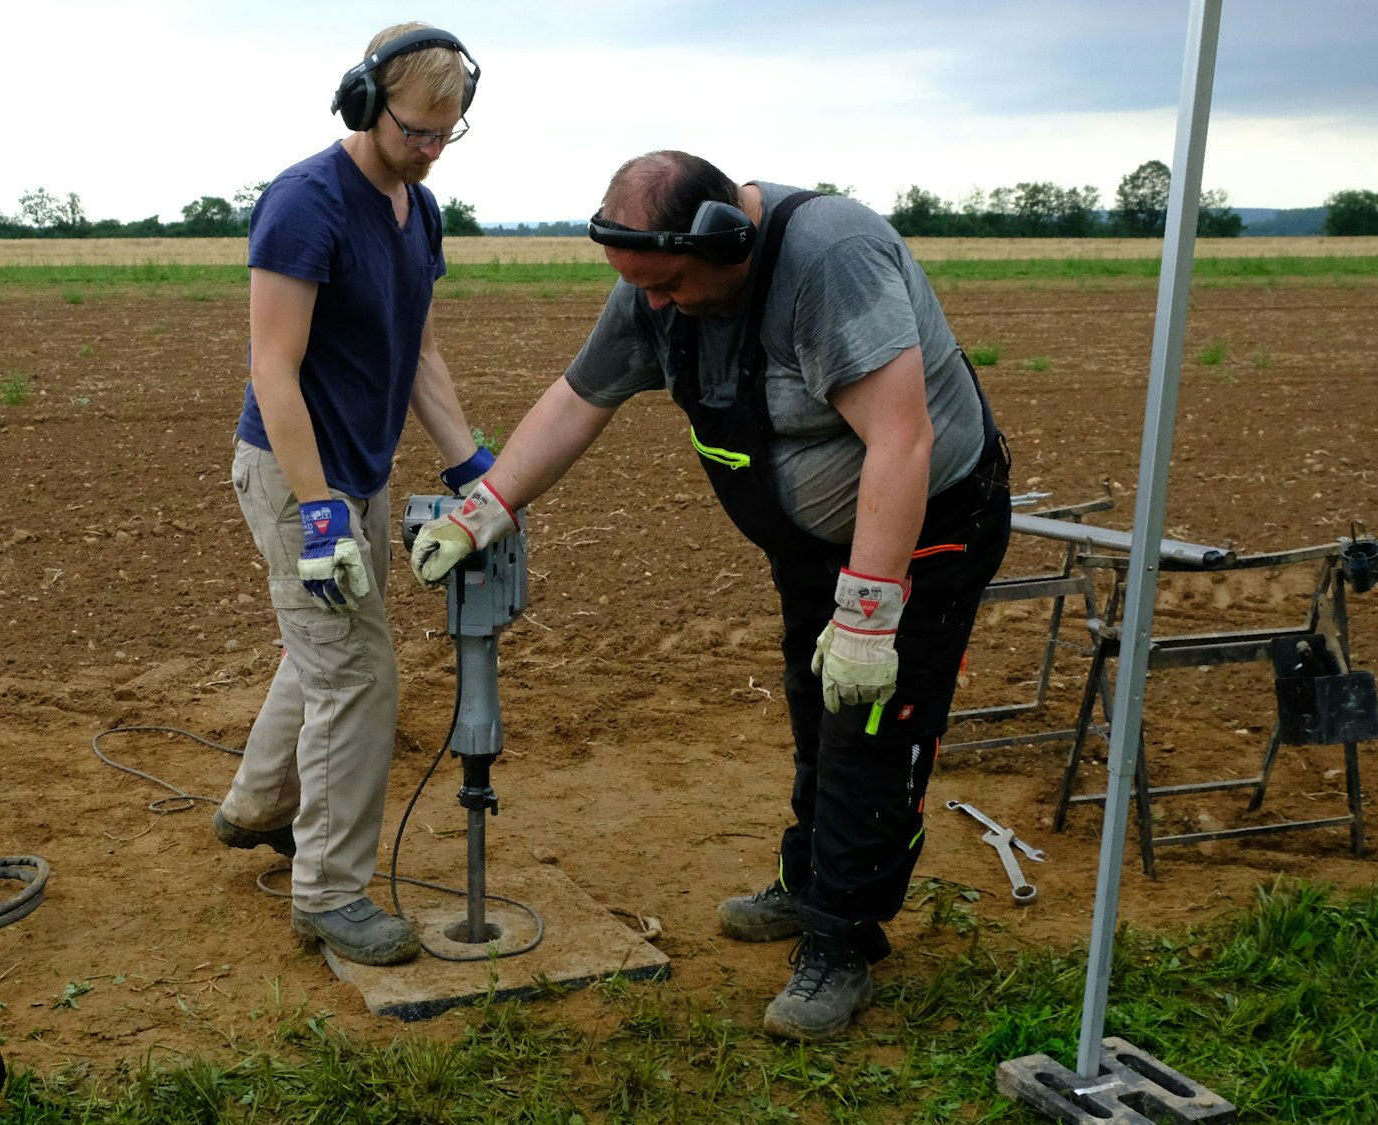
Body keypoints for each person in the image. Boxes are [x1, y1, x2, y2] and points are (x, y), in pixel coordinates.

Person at [411, 151, 1012, 1038]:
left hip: (921, 531)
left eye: (669, 284)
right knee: (816, 704)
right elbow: (581, 398)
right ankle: (810, 883)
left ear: (726, 239)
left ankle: (842, 940)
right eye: (638, 285)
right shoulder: (660, 279)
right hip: (814, 543)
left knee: (871, 723)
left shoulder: (828, 261)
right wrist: (486, 507)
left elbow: (901, 438)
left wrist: (871, 611)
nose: (651, 303)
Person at [211, 23, 494, 967]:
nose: (428, 150)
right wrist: (321, 510)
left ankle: (256, 804)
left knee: (325, 646)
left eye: (445, 135)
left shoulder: (420, 208)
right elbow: (274, 368)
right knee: (359, 674)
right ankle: (328, 892)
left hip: (361, 476)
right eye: (415, 131)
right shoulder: (305, 204)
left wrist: (472, 469)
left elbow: (416, 348)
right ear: (366, 104)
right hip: (300, 479)